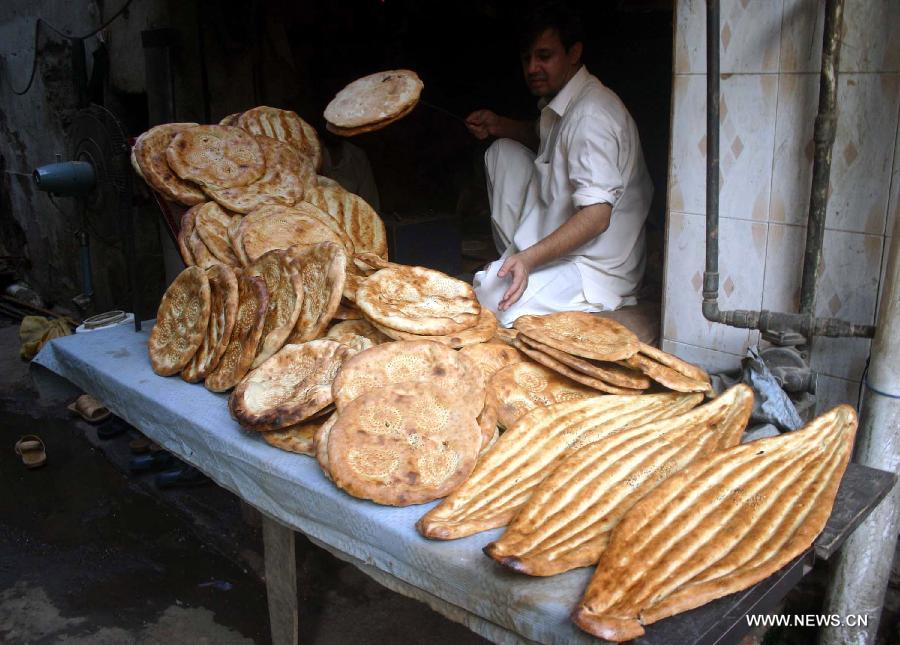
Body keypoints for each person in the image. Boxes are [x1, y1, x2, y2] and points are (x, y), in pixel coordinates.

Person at [466, 2, 653, 327]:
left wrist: (529, 258)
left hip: (595, 267)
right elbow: (541, 136)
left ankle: (522, 266)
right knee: (502, 152)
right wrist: (497, 124)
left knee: (492, 305)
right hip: (565, 243)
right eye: (527, 59)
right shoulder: (566, 103)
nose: (533, 67)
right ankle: (516, 264)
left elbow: (597, 216)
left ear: (574, 53)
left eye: (545, 56)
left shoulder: (591, 115)